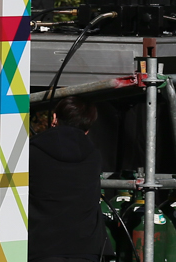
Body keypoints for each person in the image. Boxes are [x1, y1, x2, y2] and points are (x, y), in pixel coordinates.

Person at [28, 96, 106, 262]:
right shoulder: (94, 156)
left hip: (42, 247)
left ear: (55, 118)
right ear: (87, 128)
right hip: (86, 248)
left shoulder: (32, 151)